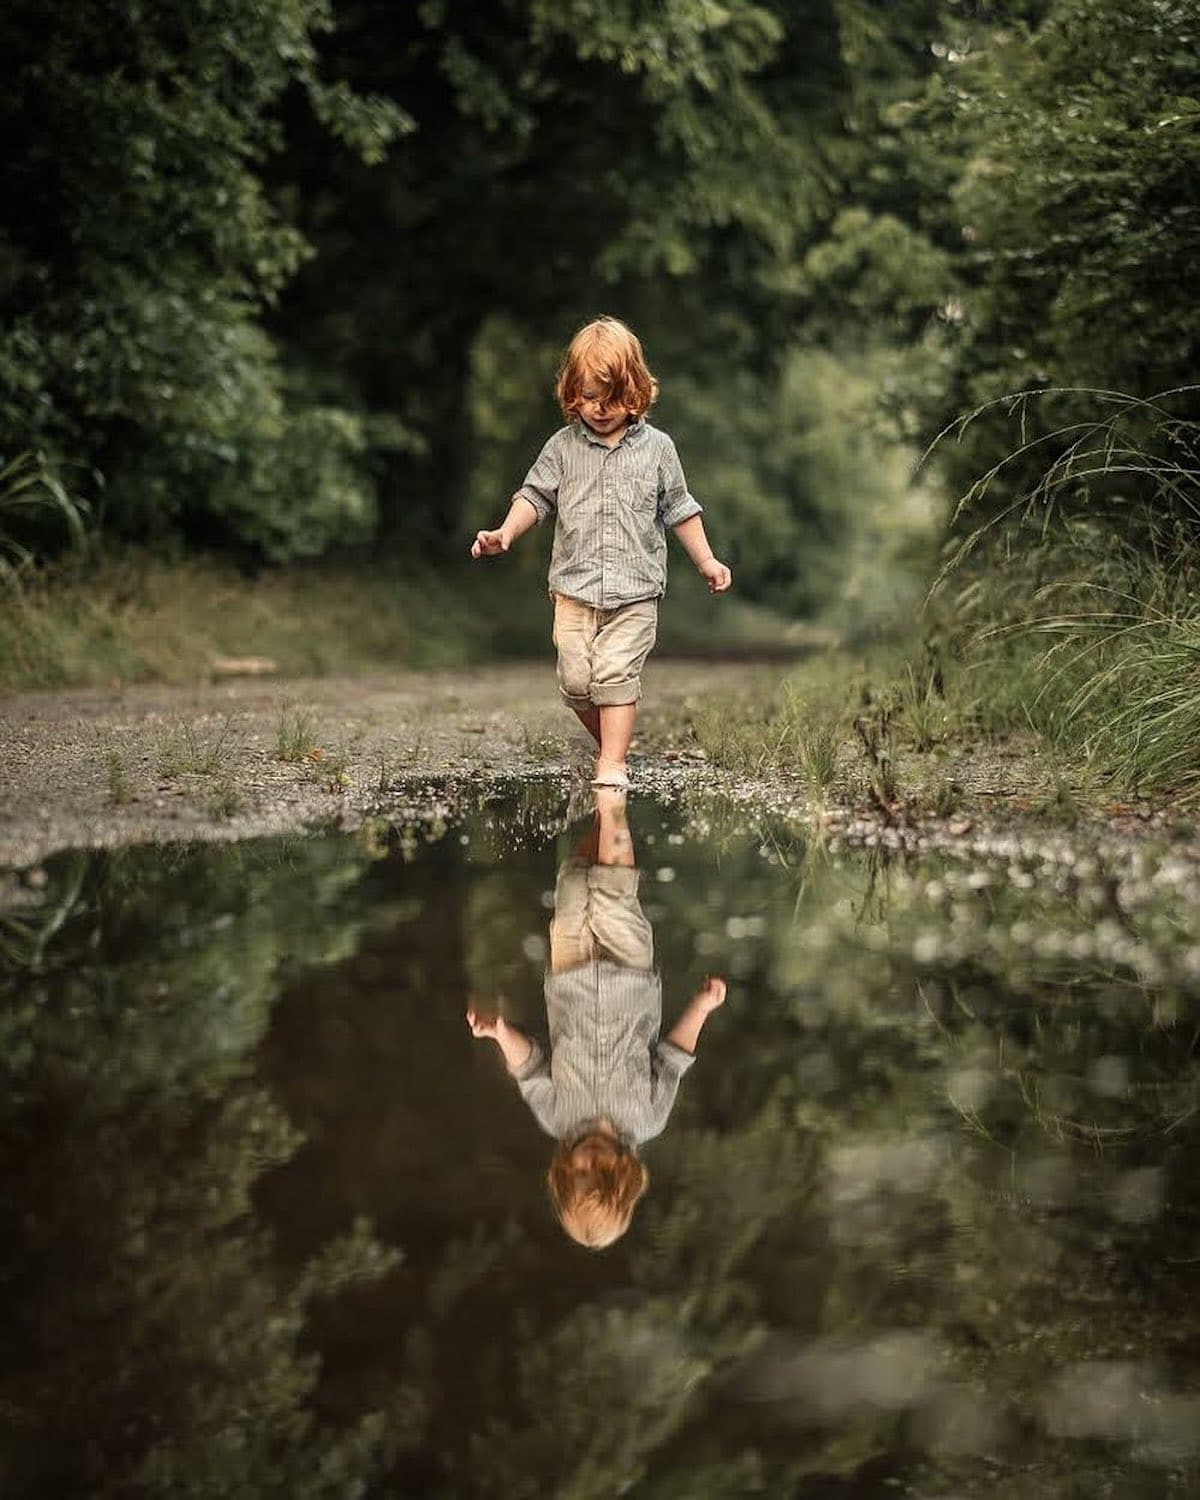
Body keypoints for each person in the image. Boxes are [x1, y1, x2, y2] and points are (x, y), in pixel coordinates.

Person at [470, 316, 732, 791]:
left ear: (635, 391)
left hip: (635, 593)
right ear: (572, 393)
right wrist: (504, 533)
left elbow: (680, 508)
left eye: (611, 399)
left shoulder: (658, 449)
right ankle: (616, 744)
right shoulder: (562, 448)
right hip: (573, 590)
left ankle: (611, 763)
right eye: (589, 398)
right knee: (576, 684)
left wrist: (707, 561)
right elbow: (534, 496)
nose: (600, 409)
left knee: (614, 674)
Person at [466, 786, 726, 1249]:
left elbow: (528, 1068)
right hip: (631, 974)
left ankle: (601, 800)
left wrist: (500, 1032)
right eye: (597, 1173)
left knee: (574, 884)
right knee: (613, 894)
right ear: (621, 1180)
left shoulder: (556, 1119)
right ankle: (612, 794)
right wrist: (701, 1007)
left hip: (568, 977)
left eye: (577, 1172)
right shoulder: (648, 1120)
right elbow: (672, 1057)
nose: (586, 1161)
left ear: (563, 1174)